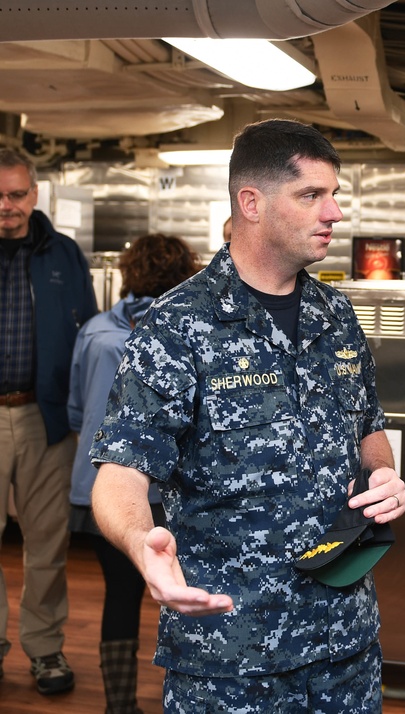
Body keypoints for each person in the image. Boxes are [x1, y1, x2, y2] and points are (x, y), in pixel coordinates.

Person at [89, 118, 405, 713]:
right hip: (233, 659)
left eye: (335, 194)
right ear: (251, 202)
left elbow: (368, 428)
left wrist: (383, 473)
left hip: (346, 647)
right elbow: (121, 473)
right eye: (312, 195)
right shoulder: (179, 325)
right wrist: (139, 543)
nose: (334, 212)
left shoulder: (335, 314)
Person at [68, 233, 201, 713]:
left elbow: (76, 411)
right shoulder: (187, 331)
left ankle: (119, 704)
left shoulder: (97, 330)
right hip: (166, 495)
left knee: (120, 597)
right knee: (185, 596)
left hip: (99, 491)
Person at [0, 147, 98, 694]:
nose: (6, 206)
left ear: (34, 194)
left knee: (46, 544)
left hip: (45, 418)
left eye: (16, 194)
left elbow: (85, 339)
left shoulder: (62, 255)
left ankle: (45, 648)